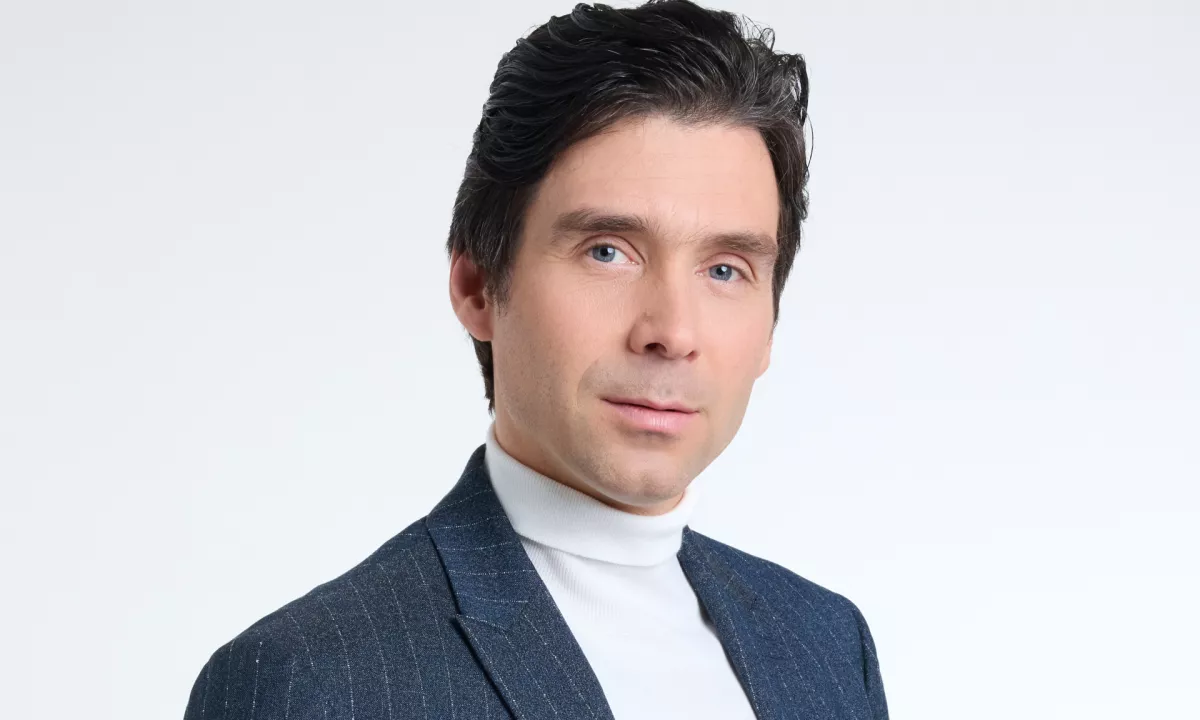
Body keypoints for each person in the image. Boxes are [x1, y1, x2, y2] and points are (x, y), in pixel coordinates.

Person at [183, 1, 889, 718]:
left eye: (726, 269)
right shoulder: (310, 682)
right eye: (608, 252)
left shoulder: (828, 646)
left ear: (770, 326)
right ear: (478, 286)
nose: (673, 332)